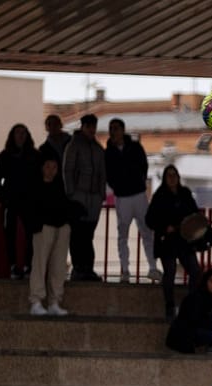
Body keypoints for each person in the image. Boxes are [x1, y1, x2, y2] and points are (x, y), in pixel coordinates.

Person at [146, 165, 202, 320]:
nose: (172, 178)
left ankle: (191, 303)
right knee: (169, 272)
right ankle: (169, 305)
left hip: (184, 240)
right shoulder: (160, 195)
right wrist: (164, 228)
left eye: (174, 175)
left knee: (195, 271)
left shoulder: (185, 193)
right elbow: (150, 219)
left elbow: (195, 213)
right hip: (167, 241)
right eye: (169, 175)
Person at [105, 118, 156, 283]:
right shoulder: (109, 152)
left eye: (116, 128)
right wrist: (118, 186)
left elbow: (144, 166)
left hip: (139, 194)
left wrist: (138, 181)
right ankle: (125, 270)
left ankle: (153, 267)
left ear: (122, 130)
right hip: (122, 197)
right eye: (111, 129)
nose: (113, 132)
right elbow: (108, 174)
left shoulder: (135, 147)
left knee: (147, 231)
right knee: (123, 235)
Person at [0, 123, 40, 280]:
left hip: (30, 202)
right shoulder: (5, 155)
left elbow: (40, 179)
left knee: (31, 235)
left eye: (23, 133)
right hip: (11, 202)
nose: (20, 136)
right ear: (12, 136)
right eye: (17, 133)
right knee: (9, 235)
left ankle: (27, 266)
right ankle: (13, 266)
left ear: (27, 136)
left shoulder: (34, 155)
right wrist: (3, 199)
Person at [62, 113, 107, 281]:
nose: (91, 130)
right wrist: (71, 194)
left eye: (93, 126)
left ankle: (87, 268)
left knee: (88, 235)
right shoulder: (73, 146)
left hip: (94, 199)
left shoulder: (97, 148)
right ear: (82, 127)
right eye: (88, 126)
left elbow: (103, 173)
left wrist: (101, 194)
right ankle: (79, 268)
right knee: (78, 235)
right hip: (78, 197)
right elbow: (68, 170)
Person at [28, 157, 72, 316]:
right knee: (40, 264)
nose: (51, 170)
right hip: (43, 228)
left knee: (58, 266)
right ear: (42, 168)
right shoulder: (35, 186)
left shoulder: (60, 186)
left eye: (54, 167)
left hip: (61, 228)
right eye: (48, 166)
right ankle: (36, 301)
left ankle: (54, 301)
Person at [166, 268, 212, 354]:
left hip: (198, 329)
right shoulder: (195, 297)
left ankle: (210, 345)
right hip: (185, 332)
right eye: (211, 281)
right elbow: (194, 319)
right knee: (211, 336)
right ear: (205, 281)